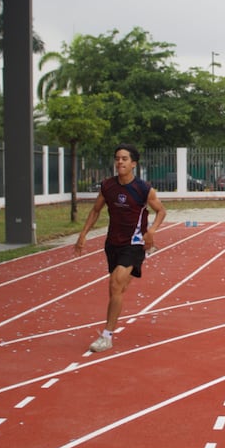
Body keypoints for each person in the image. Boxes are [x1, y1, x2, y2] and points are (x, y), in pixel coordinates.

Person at [74, 143, 166, 352]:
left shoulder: (143, 189)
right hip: (112, 243)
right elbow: (96, 210)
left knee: (115, 285)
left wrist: (151, 232)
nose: (119, 162)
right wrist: (83, 234)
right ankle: (129, 275)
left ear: (133, 164)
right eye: (117, 158)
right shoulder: (108, 186)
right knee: (120, 287)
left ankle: (106, 336)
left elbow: (161, 211)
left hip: (134, 244)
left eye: (124, 159)